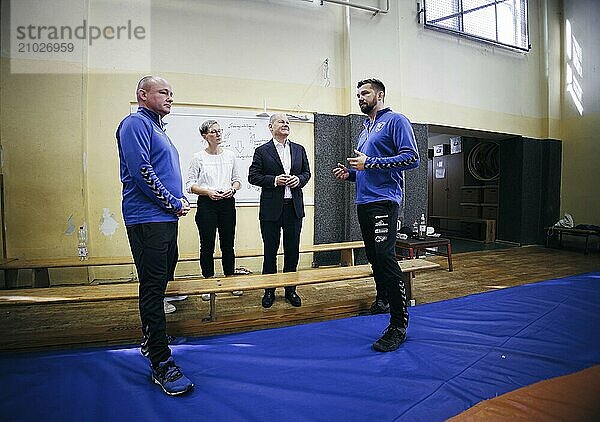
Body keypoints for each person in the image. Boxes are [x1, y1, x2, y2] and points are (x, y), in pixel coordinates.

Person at [116, 75, 193, 395]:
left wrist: (178, 201)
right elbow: (142, 171)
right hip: (147, 219)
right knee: (152, 287)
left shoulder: (158, 128)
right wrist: (173, 202)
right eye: (163, 92)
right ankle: (161, 362)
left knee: (160, 283)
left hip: (163, 219)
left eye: (172, 93)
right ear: (142, 95)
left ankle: (152, 342)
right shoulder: (136, 123)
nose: (170, 97)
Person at [333, 78, 420, 352]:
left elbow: (411, 158)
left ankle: (399, 323)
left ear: (379, 95)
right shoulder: (364, 129)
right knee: (373, 257)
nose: (360, 97)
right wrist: (351, 175)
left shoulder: (396, 121)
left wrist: (369, 162)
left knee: (385, 257)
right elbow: (367, 171)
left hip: (385, 202)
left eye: (365, 93)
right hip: (364, 202)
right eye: (358, 94)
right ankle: (382, 300)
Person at [248, 113, 311, 308]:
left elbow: (307, 173)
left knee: (292, 252)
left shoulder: (299, 149)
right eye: (281, 121)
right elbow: (253, 176)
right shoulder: (261, 151)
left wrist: (299, 180)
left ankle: (291, 290)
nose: (285, 124)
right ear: (270, 127)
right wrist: (275, 180)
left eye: (287, 122)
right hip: (271, 210)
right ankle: (269, 291)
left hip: (293, 209)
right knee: (270, 252)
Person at [185, 120, 243, 299]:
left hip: (227, 202)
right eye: (213, 132)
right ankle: (208, 284)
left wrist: (232, 189)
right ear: (205, 136)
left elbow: (237, 180)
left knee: (228, 245)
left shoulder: (231, 156)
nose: (218, 134)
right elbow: (189, 185)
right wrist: (207, 191)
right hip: (206, 203)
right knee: (207, 245)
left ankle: (230, 280)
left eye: (220, 131)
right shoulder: (198, 157)